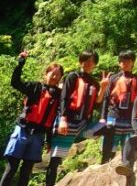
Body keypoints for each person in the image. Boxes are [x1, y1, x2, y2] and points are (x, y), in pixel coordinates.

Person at [45, 50, 110, 186]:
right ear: (81, 61)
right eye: (86, 60)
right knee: (55, 160)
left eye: (92, 62)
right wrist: (62, 118)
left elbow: (97, 104)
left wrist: (103, 88)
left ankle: (105, 165)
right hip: (67, 123)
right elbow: (64, 97)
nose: (88, 64)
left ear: (95, 65)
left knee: (109, 129)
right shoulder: (72, 76)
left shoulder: (94, 83)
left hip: (84, 125)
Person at [0, 51, 63, 186]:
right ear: (46, 74)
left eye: (58, 75)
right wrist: (20, 64)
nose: (55, 77)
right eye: (53, 73)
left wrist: (50, 141)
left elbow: (51, 121)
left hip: (39, 136)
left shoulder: (58, 96)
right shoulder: (35, 87)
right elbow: (15, 83)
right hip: (23, 130)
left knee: (26, 171)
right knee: (11, 168)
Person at [100, 50, 137, 163]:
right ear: (119, 63)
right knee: (108, 150)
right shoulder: (113, 78)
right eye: (122, 61)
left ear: (133, 62)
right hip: (113, 117)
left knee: (127, 151)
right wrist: (102, 117)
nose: (125, 63)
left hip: (130, 119)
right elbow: (106, 98)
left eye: (128, 60)